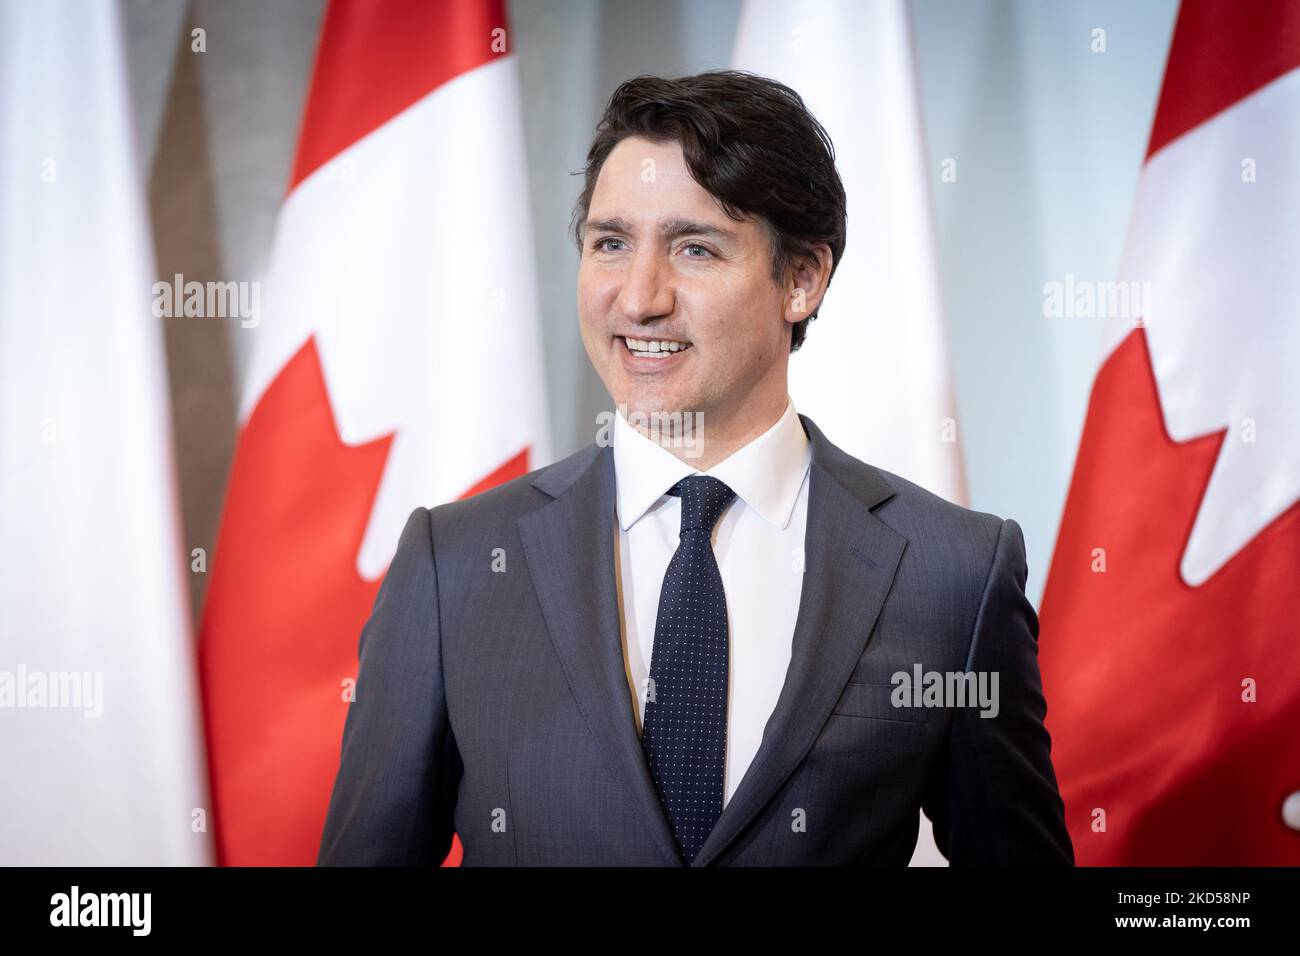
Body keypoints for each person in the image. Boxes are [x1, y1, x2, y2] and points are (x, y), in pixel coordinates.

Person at [317, 70, 1073, 866]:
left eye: (694, 248)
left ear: (802, 279)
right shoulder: (456, 564)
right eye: (611, 242)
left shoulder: (950, 572)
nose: (638, 298)